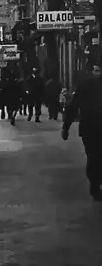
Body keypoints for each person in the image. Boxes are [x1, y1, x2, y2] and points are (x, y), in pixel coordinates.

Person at [62, 62, 102, 201]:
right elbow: (73, 106)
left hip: (89, 127)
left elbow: (73, 106)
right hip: (91, 127)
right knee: (95, 156)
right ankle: (96, 184)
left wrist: (66, 127)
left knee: (93, 157)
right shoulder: (86, 85)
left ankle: (95, 185)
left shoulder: (84, 84)